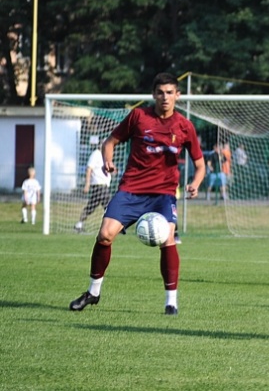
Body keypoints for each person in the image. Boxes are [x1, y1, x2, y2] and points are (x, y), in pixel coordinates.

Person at [69, 72, 206, 315]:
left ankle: (171, 302)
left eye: (170, 92)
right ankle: (93, 292)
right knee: (104, 235)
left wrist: (195, 183)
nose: (165, 97)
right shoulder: (138, 116)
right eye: (160, 93)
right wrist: (107, 162)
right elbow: (109, 142)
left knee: (168, 240)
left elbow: (200, 164)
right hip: (131, 189)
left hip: (163, 195)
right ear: (153, 95)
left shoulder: (185, 126)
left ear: (178, 95)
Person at [75, 139, 112, 232]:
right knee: (109, 206)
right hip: (99, 185)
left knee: (91, 206)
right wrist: (87, 184)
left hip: (103, 185)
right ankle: (111, 228)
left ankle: (78, 225)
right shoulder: (96, 154)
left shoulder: (105, 156)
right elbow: (89, 169)